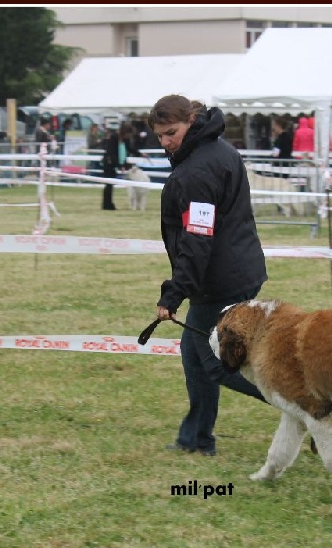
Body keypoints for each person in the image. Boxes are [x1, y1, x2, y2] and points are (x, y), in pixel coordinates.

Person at [148, 94, 268, 457]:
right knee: (193, 355)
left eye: (172, 133)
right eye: (160, 136)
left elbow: (197, 242)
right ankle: (196, 439)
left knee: (216, 363)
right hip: (237, 270)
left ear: (191, 120)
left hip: (220, 281)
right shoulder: (219, 151)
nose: (166, 142)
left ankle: (307, 403)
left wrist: (173, 295)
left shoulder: (197, 170)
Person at [100, 122, 139, 211]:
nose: (129, 136)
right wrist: (119, 165)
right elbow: (111, 153)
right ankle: (107, 205)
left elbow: (129, 149)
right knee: (108, 185)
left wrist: (140, 154)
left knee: (111, 185)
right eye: (128, 134)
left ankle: (109, 204)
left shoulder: (125, 140)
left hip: (116, 164)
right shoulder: (114, 137)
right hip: (109, 164)